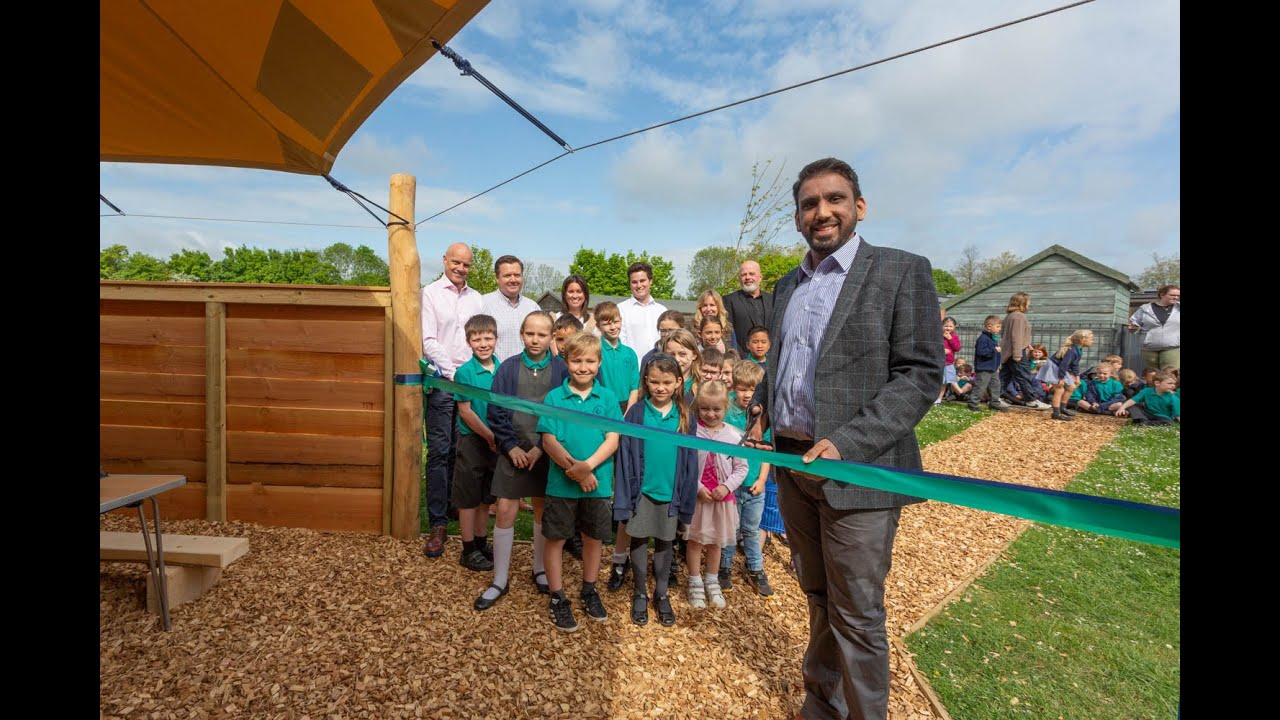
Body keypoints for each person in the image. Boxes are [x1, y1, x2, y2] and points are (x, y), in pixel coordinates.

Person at [751, 158, 944, 720]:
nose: (822, 212)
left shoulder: (901, 271)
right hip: (792, 465)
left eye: (834, 199)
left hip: (859, 472)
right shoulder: (788, 284)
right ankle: (821, 704)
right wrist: (764, 407)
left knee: (857, 613)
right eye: (809, 203)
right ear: (797, 217)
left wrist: (848, 444)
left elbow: (920, 374)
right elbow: (785, 364)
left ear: (859, 207)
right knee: (817, 596)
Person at [474, 312, 566, 611]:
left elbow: (561, 414)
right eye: (530, 334)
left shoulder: (561, 369)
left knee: (541, 509)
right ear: (522, 335)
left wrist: (541, 447)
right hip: (512, 451)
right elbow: (496, 412)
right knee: (504, 509)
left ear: (552, 337)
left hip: (546, 451)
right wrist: (510, 446)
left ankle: (539, 568)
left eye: (542, 335)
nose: (535, 340)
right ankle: (500, 578)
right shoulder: (508, 369)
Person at [536, 331, 624, 631]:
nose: (583, 367)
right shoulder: (554, 397)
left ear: (599, 363)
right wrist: (573, 469)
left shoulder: (608, 398)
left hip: (598, 483)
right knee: (556, 538)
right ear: (566, 361)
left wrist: (588, 468)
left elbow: (612, 439)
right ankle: (557, 596)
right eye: (576, 361)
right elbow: (548, 440)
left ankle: (589, 588)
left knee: (593, 537)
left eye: (589, 361)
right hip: (561, 484)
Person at [614, 354, 700, 626]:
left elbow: (690, 459)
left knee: (665, 543)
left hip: (670, 492)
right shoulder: (637, 413)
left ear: (678, 382)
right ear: (646, 382)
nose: (660, 387)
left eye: (666, 382)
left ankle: (661, 594)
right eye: (654, 382)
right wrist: (625, 496)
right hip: (642, 492)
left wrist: (686, 497)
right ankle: (640, 591)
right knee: (638, 540)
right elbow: (626, 455)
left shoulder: (686, 416)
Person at [420, 242, 484, 558]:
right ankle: (437, 522)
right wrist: (452, 371)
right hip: (444, 381)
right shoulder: (430, 294)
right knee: (439, 451)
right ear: (445, 260)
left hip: (469, 384)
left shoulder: (477, 299)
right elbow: (428, 340)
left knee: (463, 450)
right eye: (456, 262)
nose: (460, 268)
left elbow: (480, 340)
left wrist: (469, 375)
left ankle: (456, 506)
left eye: (466, 264)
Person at [685, 380, 746, 610]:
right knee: (695, 541)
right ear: (697, 407)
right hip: (698, 499)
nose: (710, 414)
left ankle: (712, 580)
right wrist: (698, 487)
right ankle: (694, 581)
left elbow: (742, 468)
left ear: (725, 408)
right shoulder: (692, 432)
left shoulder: (733, 435)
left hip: (722, 500)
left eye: (716, 409)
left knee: (716, 543)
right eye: (705, 408)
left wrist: (727, 486)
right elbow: (686, 464)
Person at [720, 360, 774, 597]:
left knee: (751, 530)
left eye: (752, 390)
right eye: (742, 389)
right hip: (731, 485)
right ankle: (724, 567)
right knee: (729, 529)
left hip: (754, 486)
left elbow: (767, 452)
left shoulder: (763, 418)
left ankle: (755, 568)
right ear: (734, 387)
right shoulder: (728, 413)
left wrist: (762, 479)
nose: (746, 394)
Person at [452, 314, 501, 572]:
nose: (483, 343)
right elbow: (466, 411)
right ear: (469, 341)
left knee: (486, 498)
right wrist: (489, 436)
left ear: (496, 339)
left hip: (497, 440)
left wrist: (500, 436)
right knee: (469, 498)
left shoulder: (503, 369)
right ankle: (468, 548)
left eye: (488, 338)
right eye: (477, 339)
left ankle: (482, 542)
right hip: (474, 440)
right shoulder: (465, 372)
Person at [482, 255, 542, 362]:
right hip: (496, 374)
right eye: (507, 275)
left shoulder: (533, 307)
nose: (513, 280)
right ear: (497, 277)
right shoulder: (483, 304)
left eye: (517, 275)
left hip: (527, 373)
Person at [999, 292, 1051, 410]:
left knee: (1005, 376)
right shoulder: (1018, 316)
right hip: (1015, 352)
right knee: (1024, 376)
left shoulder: (1010, 316)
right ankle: (1031, 400)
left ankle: (995, 398)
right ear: (1022, 303)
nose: (1029, 304)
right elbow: (1015, 336)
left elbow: (1006, 335)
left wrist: (1026, 343)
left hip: (1009, 352)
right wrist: (1017, 353)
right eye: (1028, 301)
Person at [593, 301, 640, 414]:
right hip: (602, 405)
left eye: (616, 322)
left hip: (627, 405)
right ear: (598, 326)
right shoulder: (595, 350)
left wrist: (629, 411)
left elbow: (634, 388)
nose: (613, 327)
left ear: (621, 321)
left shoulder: (630, 353)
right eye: (607, 324)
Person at [1037, 330, 1094, 422]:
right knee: (1060, 389)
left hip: (1060, 368)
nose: (1092, 341)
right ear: (1083, 339)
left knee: (1072, 387)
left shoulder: (1078, 349)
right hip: (1054, 367)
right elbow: (1064, 365)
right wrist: (1061, 379)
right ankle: (1056, 413)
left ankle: (1063, 408)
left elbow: (1075, 365)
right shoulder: (1072, 351)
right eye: (1091, 339)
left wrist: (1077, 378)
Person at [617, 261, 669, 360]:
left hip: (660, 368)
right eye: (634, 282)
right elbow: (620, 343)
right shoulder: (620, 309)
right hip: (633, 369)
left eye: (642, 280)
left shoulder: (662, 310)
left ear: (650, 281)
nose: (639, 285)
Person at [723, 260, 775, 354]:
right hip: (742, 361)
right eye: (743, 275)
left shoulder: (773, 300)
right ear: (739, 279)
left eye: (751, 274)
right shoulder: (729, 300)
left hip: (770, 361)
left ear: (760, 277)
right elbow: (728, 334)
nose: (747, 277)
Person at [1128, 284, 1180, 370]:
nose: (1176, 297)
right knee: (1152, 376)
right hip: (1149, 348)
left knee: (1170, 375)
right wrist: (1134, 328)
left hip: (1173, 346)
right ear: (1162, 295)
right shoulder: (1145, 309)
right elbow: (1134, 323)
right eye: (1172, 295)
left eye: (1178, 295)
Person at [969, 315, 1012, 412]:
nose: (1000, 329)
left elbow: (994, 355)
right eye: (998, 327)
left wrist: (997, 366)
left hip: (992, 368)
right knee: (981, 386)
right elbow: (981, 352)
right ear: (989, 326)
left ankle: (994, 403)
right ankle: (973, 403)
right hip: (984, 368)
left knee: (996, 385)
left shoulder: (992, 338)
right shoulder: (983, 338)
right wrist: (994, 350)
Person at [1115, 369, 1180, 425]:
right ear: (1157, 383)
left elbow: (1178, 414)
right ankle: (1143, 420)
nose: (1173, 386)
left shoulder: (1173, 398)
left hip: (1163, 417)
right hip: (1147, 414)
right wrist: (1122, 408)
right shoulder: (1146, 391)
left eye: (1174, 383)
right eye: (1170, 383)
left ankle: (1145, 423)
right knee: (1131, 405)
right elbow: (1133, 400)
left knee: (1169, 422)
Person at [937, 316, 962, 405]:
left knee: (948, 381)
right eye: (946, 326)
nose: (948, 328)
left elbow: (957, 348)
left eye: (951, 326)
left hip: (949, 363)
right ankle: (937, 400)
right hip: (939, 362)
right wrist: (941, 351)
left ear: (954, 327)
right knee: (941, 383)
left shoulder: (954, 337)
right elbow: (933, 347)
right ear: (942, 326)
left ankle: (959, 392)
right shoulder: (938, 336)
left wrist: (950, 339)